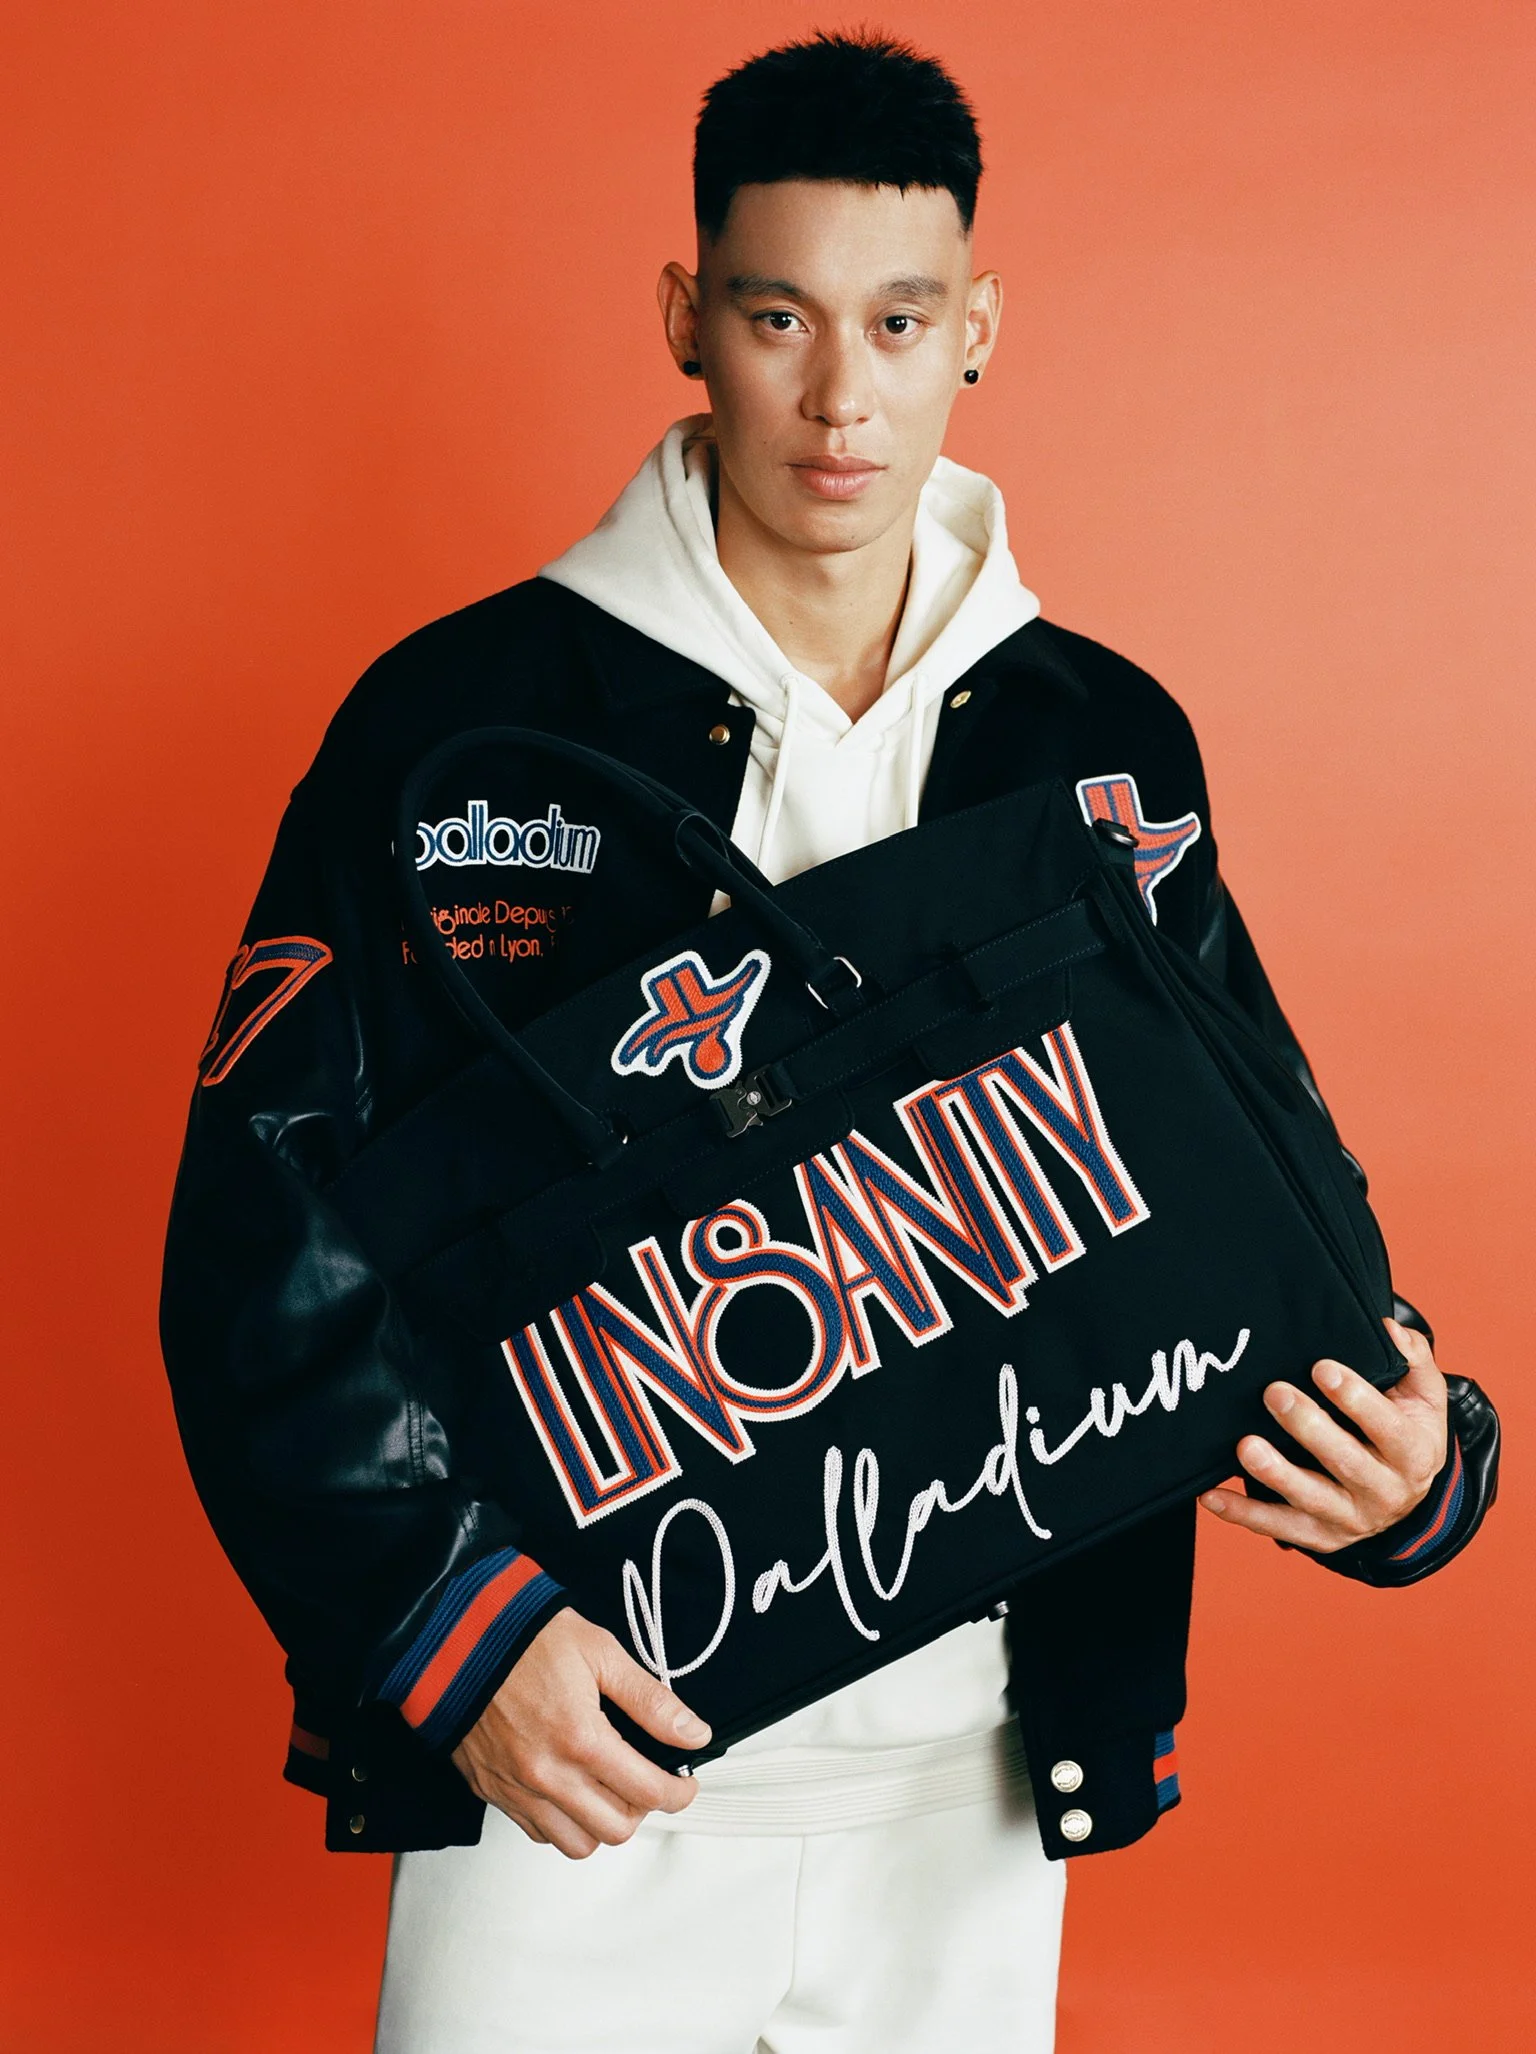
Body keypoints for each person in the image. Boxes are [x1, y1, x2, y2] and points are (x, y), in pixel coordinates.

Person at [160, 32, 1499, 2054]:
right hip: (573, 1767)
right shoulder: (453, 721)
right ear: (687, 318)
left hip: (969, 1790)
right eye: (780, 314)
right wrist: (452, 1633)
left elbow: (1259, 1191)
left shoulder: (1096, 742)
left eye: (895, 319)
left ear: (978, 329)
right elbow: (263, 1239)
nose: (839, 393)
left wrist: (1418, 1459)